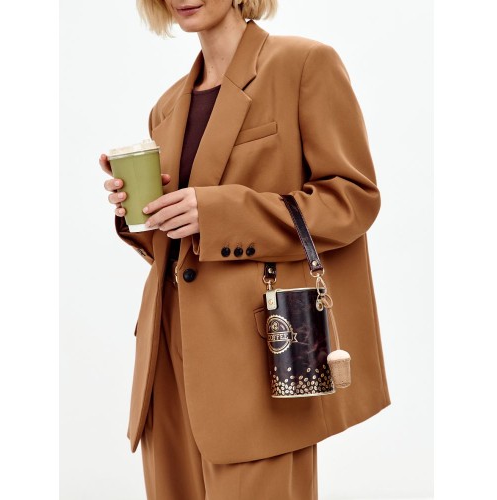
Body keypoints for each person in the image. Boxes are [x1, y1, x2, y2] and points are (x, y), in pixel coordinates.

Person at [100, 1, 391, 498]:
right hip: (166, 359)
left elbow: (353, 199)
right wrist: (137, 215)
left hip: (260, 361)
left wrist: (220, 213)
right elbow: (178, 254)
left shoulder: (303, 65)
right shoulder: (166, 109)